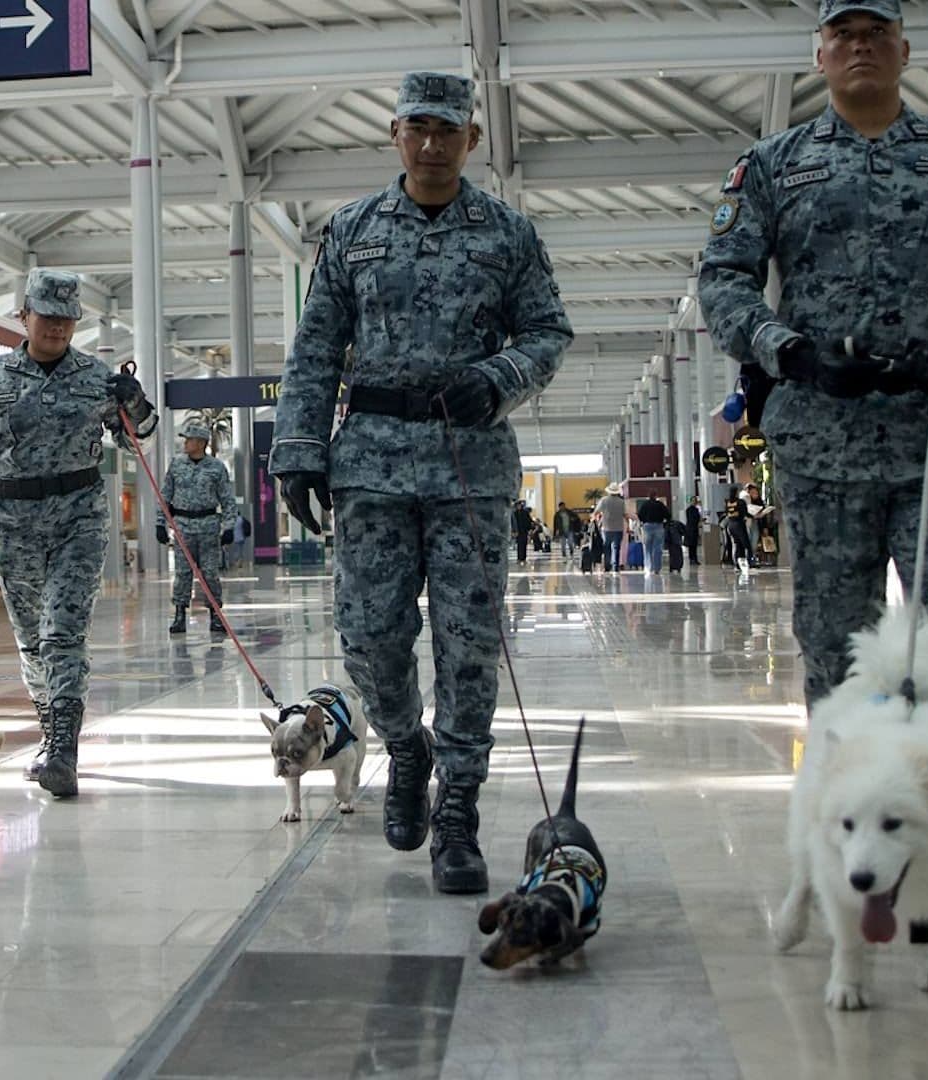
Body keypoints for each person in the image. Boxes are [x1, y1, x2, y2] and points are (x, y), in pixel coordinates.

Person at [698, 0, 928, 918]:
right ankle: (851, 831)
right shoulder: (773, 165)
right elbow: (724, 281)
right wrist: (787, 350)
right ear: (820, 53)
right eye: (843, 35)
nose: (859, 47)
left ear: (904, 49)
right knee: (836, 645)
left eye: (876, 34)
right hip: (822, 444)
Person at [270, 72, 571, 895]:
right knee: (369, 636)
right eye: (418, 128)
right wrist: (297, 448)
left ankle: (458, 809)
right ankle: (407, 745)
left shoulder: (507, 233)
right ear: (396, 133)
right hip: (369, 463)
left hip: (469, 461)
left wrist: (500, 375)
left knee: (470, 645)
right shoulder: (353, 230)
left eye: (448, 130)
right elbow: (316, 345)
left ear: (472, 139)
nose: (432, 143)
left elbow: (548, 330)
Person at [0, 268, 158, 798]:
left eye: (67, 318)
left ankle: (64, 749)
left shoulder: (96, 377)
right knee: (31, 641)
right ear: (24, 316)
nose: (58, 327)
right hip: (14, 523)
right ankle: (49, 731)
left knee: (62, 631)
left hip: (79, 519)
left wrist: (135, 402)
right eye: (48, 316)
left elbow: (139, 439)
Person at [158, 421, 236, 635]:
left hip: (209, 526)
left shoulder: (217, 468)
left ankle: (215, 615)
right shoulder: (176, 465)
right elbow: (165, 496)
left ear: (201, 443)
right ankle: (179, 615)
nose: (185, 443)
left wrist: (229, 526)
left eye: (189, 439)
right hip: (183, 526)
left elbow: (227, 499)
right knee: (182, 573)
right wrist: (160, 523)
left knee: (210, 573)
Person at [593, 489, 628, 575]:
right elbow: (625, 514)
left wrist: (596, 522)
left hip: (606, 528)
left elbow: (596, 512)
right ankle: (615, 568)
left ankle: (607, 567)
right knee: (616, 548)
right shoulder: (621, 502)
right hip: (619, 528)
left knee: (607, 548)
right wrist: (628, 525)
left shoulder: (604, 500)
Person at [635, 493, 671, 574]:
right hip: (659, 526)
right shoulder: (660, 504)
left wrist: (644, 521)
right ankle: (657, 569)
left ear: (649, 496)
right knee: (658, 548)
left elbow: (640, 515)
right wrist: (665, 522)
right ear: (656, 496)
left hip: (647, 526)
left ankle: (649, 567)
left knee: (647, 548)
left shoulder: (645, 504)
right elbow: (668, 515)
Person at [683, 495, 703, 567]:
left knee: (694, 545)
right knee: (691, 545)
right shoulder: (689, 510)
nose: (694, 502)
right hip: (690, 529)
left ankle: (694, 559)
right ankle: (692, 559)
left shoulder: (696, 509)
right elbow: (692, 519)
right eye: (693, 501)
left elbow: (698, 518)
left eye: (695, 501)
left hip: (694, 528)